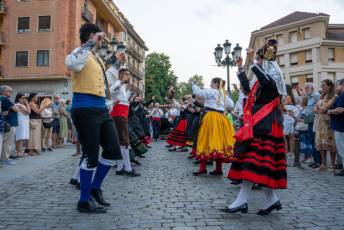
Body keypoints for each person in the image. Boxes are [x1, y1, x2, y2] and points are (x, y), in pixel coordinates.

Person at [65, 23, 123, 213]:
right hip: (84, 109)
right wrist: (91, 43)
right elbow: (71, 63)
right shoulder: (80, 52)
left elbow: (106, 79)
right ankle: (83, 200)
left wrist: (116, 64)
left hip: (100, 109)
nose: (102, 40)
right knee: (91, 155)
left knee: (113, 150)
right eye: (100, 36)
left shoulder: (96, 58)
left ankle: (94, 188)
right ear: (91, 35)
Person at [226, 39, 287, 215]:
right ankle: (272, 200)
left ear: (267, 61)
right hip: (258, 124)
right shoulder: (261, 79)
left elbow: (266, 82)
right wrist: (239, 68)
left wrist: (252, 62)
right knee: (261, 164)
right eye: (258, 60)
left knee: (253, 161)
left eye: (261, 60)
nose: (259, 62)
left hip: (266, 126)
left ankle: (241, 201)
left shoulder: (273, 78)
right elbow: (246, 89)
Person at [191, 78, 235, 176]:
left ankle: (202, 168)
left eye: (211, 82)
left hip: (210, 117)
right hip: (221, 119)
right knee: (218, 141)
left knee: (205, 140)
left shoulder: (212, 91)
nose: (210, 84)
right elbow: (231, 105)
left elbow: (199, 93)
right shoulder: (223, 94)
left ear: (215, 83)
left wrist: (193, 84)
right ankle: (218, 169)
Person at [109, 68, 140, 177]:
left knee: (122, 142)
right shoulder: (117, 83)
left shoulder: (121, 86)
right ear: (121, 75)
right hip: (119, 115)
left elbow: (123, 100)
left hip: (122, 115)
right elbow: (111, 91)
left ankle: (119, 168)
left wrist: (129, 93)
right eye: (127, 74)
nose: (129, 76)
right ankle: (127, 168)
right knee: (124, 141)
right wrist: (121, 82)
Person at [314, 79, 337, 172]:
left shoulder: (334, 96)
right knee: (321, 144)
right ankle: (323, 164)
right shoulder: (321, 96)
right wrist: (320, 109)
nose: (322, 87)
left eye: (323, 85)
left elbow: (326, 107)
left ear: (329, 86)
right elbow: (315, 108)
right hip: (320, 123)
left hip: (329, 123)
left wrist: (320, 109)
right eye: (321, 85)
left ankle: (332, 165)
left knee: (331, 144)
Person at [328, 79, 344, 176]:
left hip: (341, 126)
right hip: (339, 125)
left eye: (337, 85)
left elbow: (340, 109)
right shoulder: (339, 95)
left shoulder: (343, 95)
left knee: (342, 148)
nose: (335, 88)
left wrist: (330, 111)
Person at [304, 83, 321, 169]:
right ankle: (315, 160)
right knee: (312, 141)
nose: (305, 89)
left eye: (307, 88)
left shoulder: (316, 95)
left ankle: (318, 161)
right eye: (305, 88)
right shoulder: (309, 97)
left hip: (315, 121)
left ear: (312, 88)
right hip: (310, 121)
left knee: (315, 141)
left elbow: (319, 107)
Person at [0, 85, 19, 164]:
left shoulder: (5, 99)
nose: (11, 92)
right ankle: (5, 159)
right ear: (3, 91)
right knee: (8, 142)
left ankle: (4, 158)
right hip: (9, 123)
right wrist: (14, 105)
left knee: (6, 142)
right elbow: (16, 109)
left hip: (9, 123)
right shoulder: (4, 99)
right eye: (9, 91)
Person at [283, 84, 300, 155]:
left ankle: (288, 152)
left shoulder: (288, 97)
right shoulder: (288, 96)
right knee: (290, 136)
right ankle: (290, 152)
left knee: (286, 136)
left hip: (288, 118)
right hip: (289, 118)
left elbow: (282, 106)